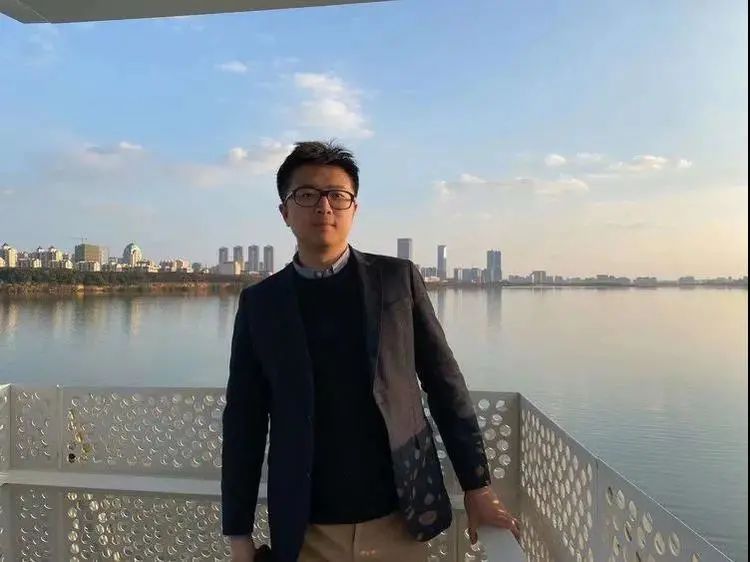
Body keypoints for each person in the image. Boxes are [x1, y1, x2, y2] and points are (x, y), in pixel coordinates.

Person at [222, 141, 520, 562]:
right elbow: (244, 421)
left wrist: (478, 487)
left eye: (337, 195)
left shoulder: (397, 280)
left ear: (354, 209)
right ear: (285, 212)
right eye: (306, 195)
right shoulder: (261, 304)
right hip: (307, 529)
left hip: (400, 518)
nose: (324, 206)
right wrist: (238, 533)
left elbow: (445, 385)